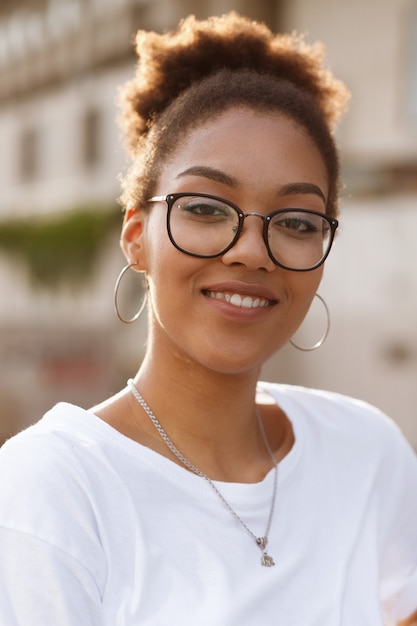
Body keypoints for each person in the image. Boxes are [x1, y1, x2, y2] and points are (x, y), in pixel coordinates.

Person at [0, 12, 416, 626]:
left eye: (297, 221)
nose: (250, 248)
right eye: (205, 207)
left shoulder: (366, 450)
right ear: (137, 237)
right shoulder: (50, 489)